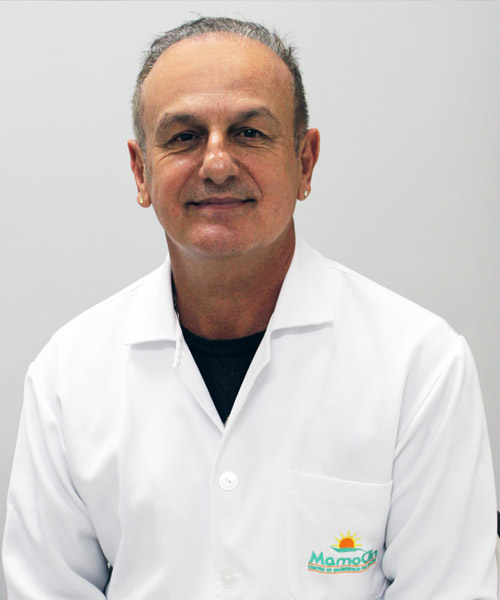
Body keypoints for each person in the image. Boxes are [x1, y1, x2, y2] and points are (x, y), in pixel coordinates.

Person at [2, 16, 497, 599]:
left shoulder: (420, 365)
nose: (217, 164)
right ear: (141, 172)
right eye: (184, 136)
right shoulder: (67, 377)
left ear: (305, 162)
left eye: (249, 133)